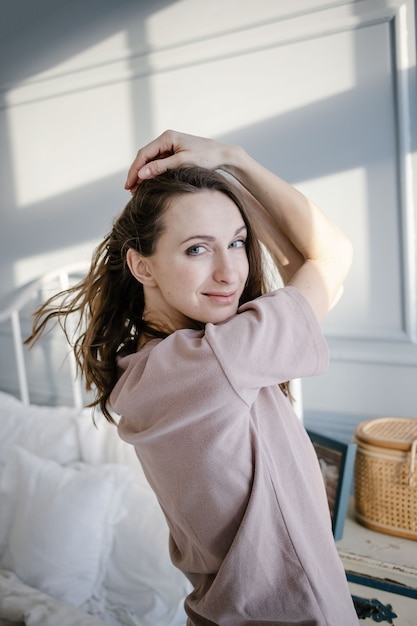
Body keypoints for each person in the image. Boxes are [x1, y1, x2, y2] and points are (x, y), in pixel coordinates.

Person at [26, 130, 357, 625]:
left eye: (237, 243)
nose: (231, 273)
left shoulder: (149, 367)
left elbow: (304, 270)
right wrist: (233, 158)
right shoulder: (216, 363)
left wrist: (222, 181)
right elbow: (330, 260)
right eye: (197, 250)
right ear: (142, 266)